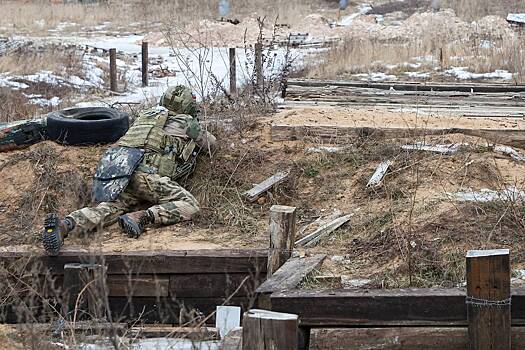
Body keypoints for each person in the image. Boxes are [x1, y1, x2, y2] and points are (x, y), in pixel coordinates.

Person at [41, 85, 216, 255]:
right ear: (188, 106)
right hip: (148, 177)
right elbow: (211, 145)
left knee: (111, 207)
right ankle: (143, 216)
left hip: (121, 175)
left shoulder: (145, 117)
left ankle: (66, 225)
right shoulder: (186, 122)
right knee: (191, 204)